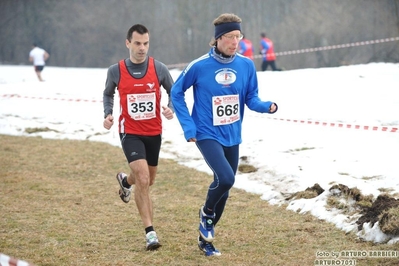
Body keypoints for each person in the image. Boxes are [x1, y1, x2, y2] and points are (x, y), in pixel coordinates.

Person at [171, 13, 278, 257]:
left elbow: (251, 98)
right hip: (206, 133)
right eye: (229, 36)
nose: (234, 41)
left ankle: (205, 240)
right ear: (218, 38)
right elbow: (176, 93)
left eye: (238, 36)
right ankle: (206, 213)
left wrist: (266, 106)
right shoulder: (199, 66)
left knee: (225, 190)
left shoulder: (246, 65)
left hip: (232, 134)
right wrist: (188, 127)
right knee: (226, 178)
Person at [102, 24, 174, 251]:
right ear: (128, 43)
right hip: (130, 131)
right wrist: (108, 114)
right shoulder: (116, 70)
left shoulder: (159, 68)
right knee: (143, 177)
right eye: (137, 43)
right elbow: (107, 93)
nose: (142, 48)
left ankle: (125, 182)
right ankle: (150, 233)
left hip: (154, 131)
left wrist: (171, 108)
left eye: (146, 43)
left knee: (148, 180)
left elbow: (175, 91)